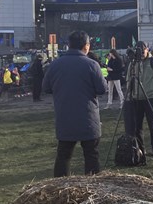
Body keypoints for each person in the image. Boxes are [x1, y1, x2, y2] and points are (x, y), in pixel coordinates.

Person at [42, 30, 108, 177]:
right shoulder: (92, 65)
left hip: (64, 116)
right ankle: (93, 187)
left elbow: (46, 88)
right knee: (91, 155)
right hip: (88, 118)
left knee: (63, 156)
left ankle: (60, 188)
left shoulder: (55, 65)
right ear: (86, 46)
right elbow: (102, 89)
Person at [125, 41, 153, 157]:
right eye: (139, 51)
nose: (141, 54)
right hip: (136, 98)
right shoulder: (133, 63)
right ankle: (141, 149)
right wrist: (129, 94)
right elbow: (128, 79)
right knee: (137, 125)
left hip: (151, 97)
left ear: (147, 49)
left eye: (143, 51)